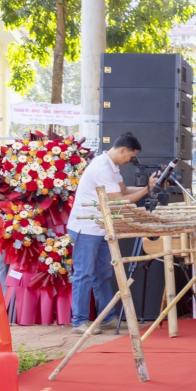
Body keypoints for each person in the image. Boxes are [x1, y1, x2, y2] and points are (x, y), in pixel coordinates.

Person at [65, 132, 159, 335]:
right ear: (123, 150)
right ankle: (78, 321)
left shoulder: (112, 166)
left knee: (103, 274)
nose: (130, 161)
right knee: (84, 274)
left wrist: (146, 187)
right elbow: (120, 201)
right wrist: (147, 191)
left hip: (101, 227)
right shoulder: (100, 168)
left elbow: (123, 190)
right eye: (130, 156)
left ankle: (107, 318)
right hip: (86, 227)